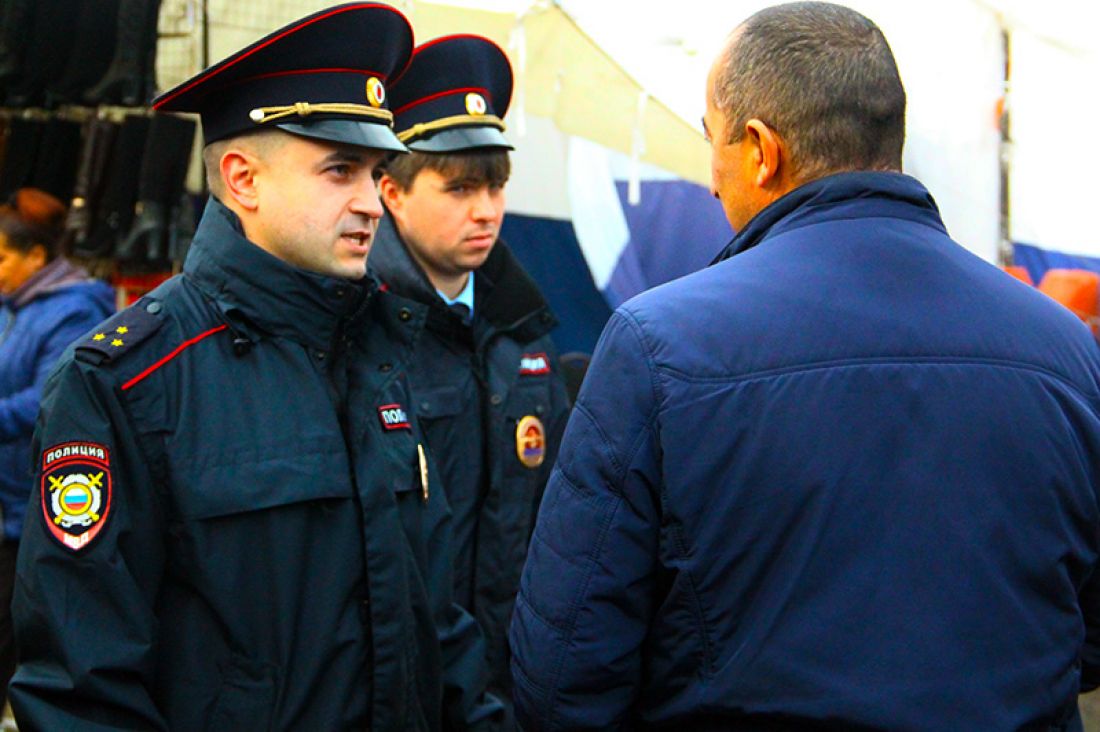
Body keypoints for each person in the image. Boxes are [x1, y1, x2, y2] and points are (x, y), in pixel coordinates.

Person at [510, 2, 1100, 729]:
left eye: (710, 140)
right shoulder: (1065, 349)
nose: (713, 176)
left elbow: (564, 669)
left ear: (760, 149)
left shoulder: (657, 345)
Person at [10, 6, 502, 730]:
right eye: (340, 170)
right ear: (243, 179)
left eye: (376, 172)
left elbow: (434, 620)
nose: (372, 203)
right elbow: (81, 687)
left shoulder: (376, 351)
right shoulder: (125, 382)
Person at [371, 34, 571, 716]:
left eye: (495, 185)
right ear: (391, 192)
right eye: (458, 188)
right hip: (406, 691)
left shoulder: (523, 331)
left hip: (511, 683)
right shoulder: (364, 337)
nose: (486, 210)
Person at [0, 188, 114, 706]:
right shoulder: (14, 307)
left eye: (2, 256)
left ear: (37, 257)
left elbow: (47, 398)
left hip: (27, 505)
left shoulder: (72, 311)